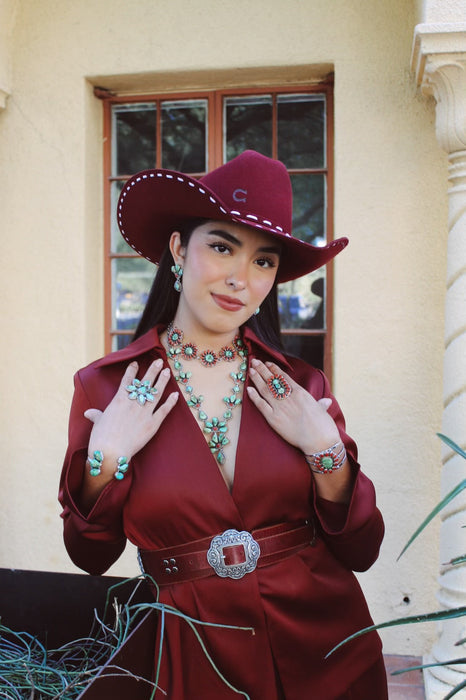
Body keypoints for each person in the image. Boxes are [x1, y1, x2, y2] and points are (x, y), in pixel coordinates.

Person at [59, 150, 388, 699]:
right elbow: (89, 556)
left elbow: (363, 550)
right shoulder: (107, 389)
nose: (241, 278)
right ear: (177, 249)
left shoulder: (301, 387)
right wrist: (107, 461)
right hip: (189, 659)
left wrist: (325, 449)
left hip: (323, 651)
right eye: (221, 246)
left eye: (264, 261)